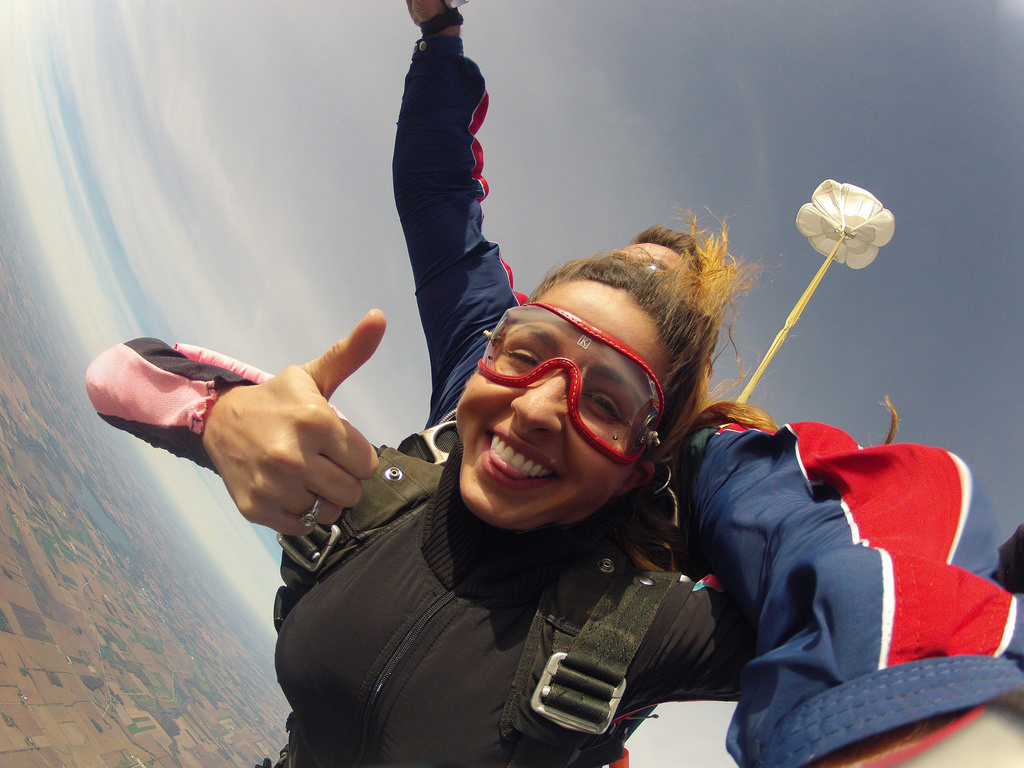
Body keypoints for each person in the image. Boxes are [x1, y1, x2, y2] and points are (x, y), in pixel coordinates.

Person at [85, 4, 1024, 767]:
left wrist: (922, 708)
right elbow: (441, 202)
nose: (542, 402)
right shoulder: (464, 387)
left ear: (648, 444)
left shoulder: (685, 519)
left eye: (608, 394)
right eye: (534, 349)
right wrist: (221, 416)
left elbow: (833, 554)